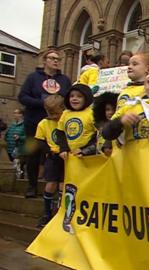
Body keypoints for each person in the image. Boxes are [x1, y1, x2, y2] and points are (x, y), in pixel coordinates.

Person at [18, 49, 71, 198]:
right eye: (53, 58)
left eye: (58, 59)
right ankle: (32, 185)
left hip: (57, 125)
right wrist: (44, 103)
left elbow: (69, 99)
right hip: (34, 122)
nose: (56, 61)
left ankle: (57, 185)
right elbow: (22, 97)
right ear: (44, 60)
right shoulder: (33, 78)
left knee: (58, 152)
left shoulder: (64, 80)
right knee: (33, 154)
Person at [35, 95, 65, 227]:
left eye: (57, 113)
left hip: (66, 156)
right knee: (51, 183)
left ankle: (61, 212)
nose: (54, 116)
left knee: (63, 185)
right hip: (52, 157)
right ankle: (47, 213)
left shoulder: (67, 120)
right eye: (51, 113)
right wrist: (49, 151)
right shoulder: (43, 123)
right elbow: (40, 141)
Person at [56, 84, 97, 160]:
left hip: (88, 156)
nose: (74, 98)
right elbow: (60, 132)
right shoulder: (65, 113)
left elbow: (98, 135)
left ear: (86, 98)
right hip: (69, 156)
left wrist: (85, 150)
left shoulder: (92, 113)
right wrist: (63, 149)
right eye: (71, 96)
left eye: (79, 96)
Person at [4, 108, 26, 178]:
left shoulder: (25, 125)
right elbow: (6, 136)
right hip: (9, 149)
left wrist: (20, 137)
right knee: (11, 168)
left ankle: (19, 182)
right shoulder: (12, 125)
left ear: (21, 115)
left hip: (19, 150)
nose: (14, 115)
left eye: (16, 113)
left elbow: (28, 137)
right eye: (14, 113)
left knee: (18, 169)